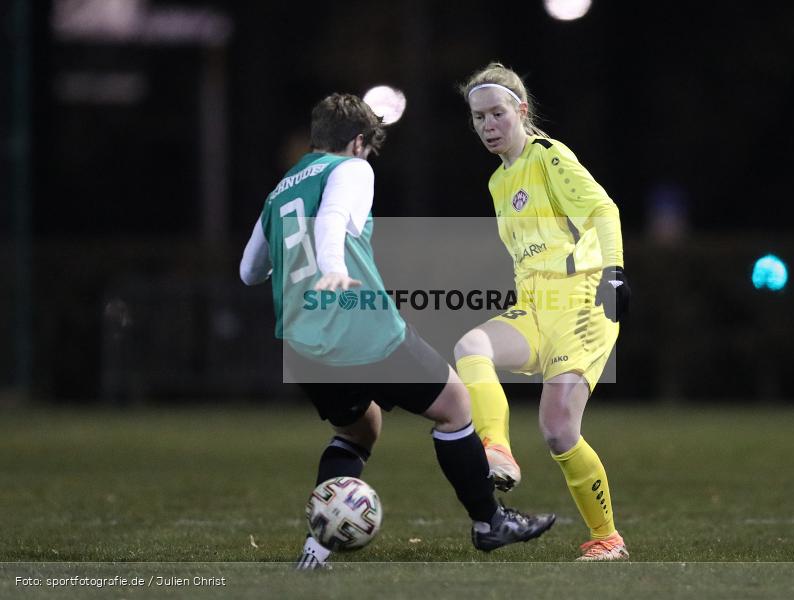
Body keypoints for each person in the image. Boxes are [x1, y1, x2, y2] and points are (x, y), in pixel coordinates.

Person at [239, 92, 555, 570]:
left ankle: (317, 547)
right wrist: (328, 267)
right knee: (454, 406)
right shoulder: (351, 168)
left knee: (360, 427)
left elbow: (249, 270)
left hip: (303, 345)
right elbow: (332, 222)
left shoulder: (281, 189)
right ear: (359, 141)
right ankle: (490, 521)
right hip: (358, 325)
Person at [454, 64, 631, 561]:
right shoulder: (498, 182)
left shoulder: (547, 156)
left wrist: (614, 273)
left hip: (580, 303)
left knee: (557, 429)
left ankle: (607, 538)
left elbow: (604, 210)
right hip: (534, 308)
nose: (488, 125)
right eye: (478, 118)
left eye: (497, 114)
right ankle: (497, 451)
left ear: (521, 111)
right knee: (471, 345)